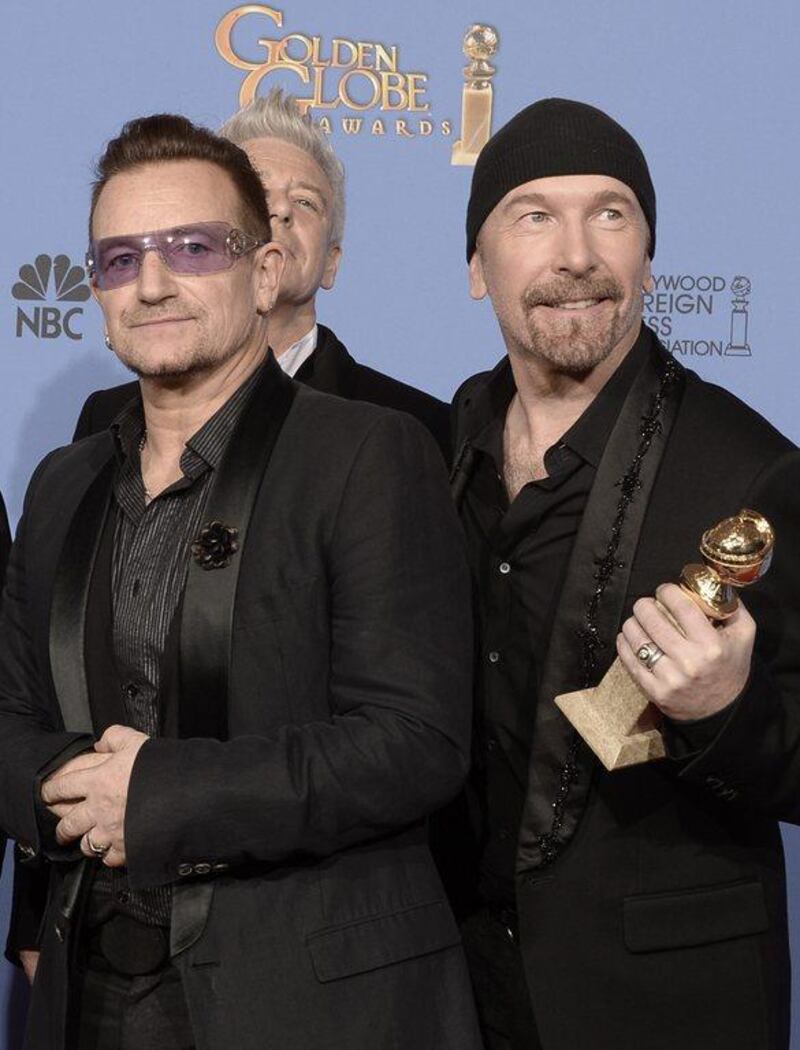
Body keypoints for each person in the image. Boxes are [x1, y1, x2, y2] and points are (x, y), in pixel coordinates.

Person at [0, 113, 481, 1049]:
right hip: (91, 990)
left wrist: (159, 798)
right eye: (119, 257)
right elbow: (9, 717)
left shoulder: (369, 452)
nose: (152, 283)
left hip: (312, 992)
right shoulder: (65, 482)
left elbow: (413, 741)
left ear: (264, 272)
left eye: (193, 247)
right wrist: (73, 790)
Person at [449, 97, 800, 1050]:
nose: (576, 255)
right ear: (478, 270)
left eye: (610, 213)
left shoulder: (750, 471)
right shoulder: (441, 448)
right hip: (454, 989)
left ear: (647, 253)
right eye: (533, 215)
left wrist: (729, 708)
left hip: (660, 1003)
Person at [72, 88, 449, 458]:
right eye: (259, 191)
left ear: (332, 261)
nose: (280, 211)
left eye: (305, 201)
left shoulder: (412, 423)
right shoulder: (106, 420)